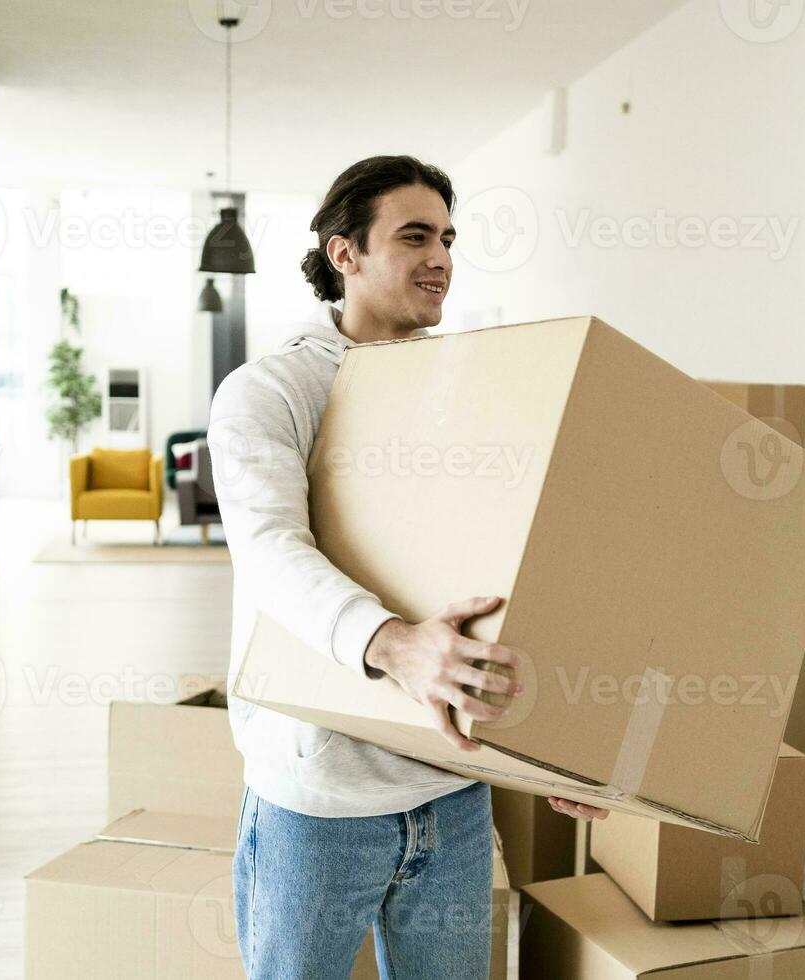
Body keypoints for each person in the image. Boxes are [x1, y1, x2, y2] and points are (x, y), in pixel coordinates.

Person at [207, 155, 607, 980]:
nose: (442, 258)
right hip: (317, 806)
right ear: (343, 252)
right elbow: (272, 552)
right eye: (414, 235)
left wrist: (563, 745)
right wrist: (394, 643)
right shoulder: (271, 390)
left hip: (451, 794)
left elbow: (507, 571)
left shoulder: (469, 387)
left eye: (449, 238)